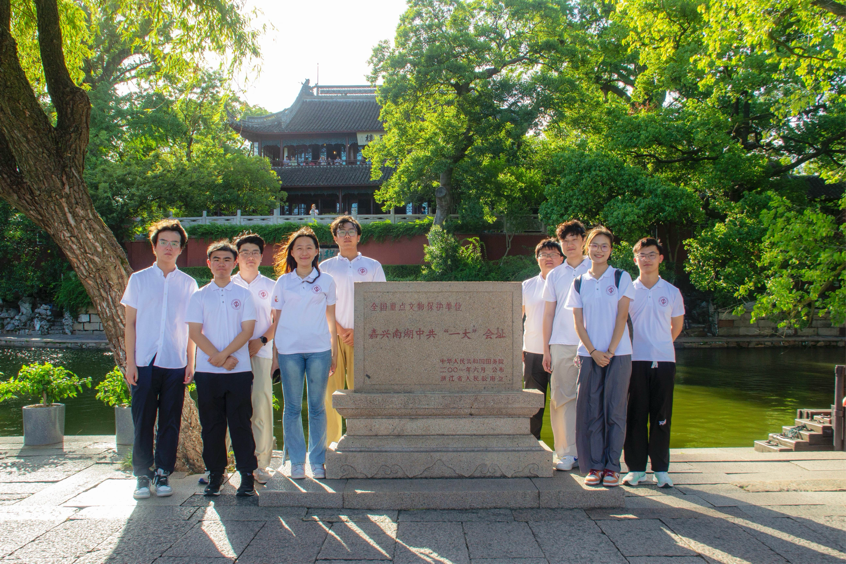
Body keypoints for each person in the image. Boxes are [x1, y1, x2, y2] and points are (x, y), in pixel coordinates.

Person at [121, 219, 198, 500]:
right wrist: (130, 362)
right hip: (144, 361)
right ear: (154, 247)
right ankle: (142, 474)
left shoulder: (189, 284)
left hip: (175, 361)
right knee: (142, 420)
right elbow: (130, 324)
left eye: (174, 243)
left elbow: (192, 327)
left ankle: (163, 472)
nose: (168, 247)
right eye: (163, 242)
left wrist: (191, 362)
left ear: (181, 249)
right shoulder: (139, 280)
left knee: (170, 421)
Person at [565, 225, 635, 488]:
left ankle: (612, 467)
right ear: (587, 248)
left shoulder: (620, 277)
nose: (599, 250)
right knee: (591, 410)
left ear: (611, 250)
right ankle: (594, 466)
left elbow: (622, 317)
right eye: (594, 245)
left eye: (604, 246)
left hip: (619, 354)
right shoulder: (579, 282)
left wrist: (610, 351)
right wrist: (594, 352)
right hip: (588, 355)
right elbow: (578, 323)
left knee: (615, 410)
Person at [187, 240, 258, 497]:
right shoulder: (199, 295)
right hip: (208, 372)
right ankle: (215, 474)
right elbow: (195, 332)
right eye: (216, 259)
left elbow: (247, 331)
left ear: (235, 263)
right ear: (209, 263)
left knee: (241, 424)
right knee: (211, 425)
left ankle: (247, 475)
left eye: (227, 259)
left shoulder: (244, 294)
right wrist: (217, 357)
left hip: (239, 370)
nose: (221, 264)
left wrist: (225, 355)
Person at [269, 227, 338, 480]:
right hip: (289, 351)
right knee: (292, 407)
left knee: (317, 407)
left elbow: (331, 320)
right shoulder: (283, 282)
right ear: (292, 252)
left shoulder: (326, 281)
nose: (304, 252)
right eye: (299, 248)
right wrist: (275, 355)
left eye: (309, 247)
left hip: (319, 350)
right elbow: (276, 320)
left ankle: (317, 461)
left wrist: (334, 352)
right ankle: (296, 462)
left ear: (317, 251)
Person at [622, 238, 685, 488]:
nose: (646, 259)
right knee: (635, 415)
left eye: (651, 254)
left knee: (661, 416)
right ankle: (636, 469)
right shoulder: (628, 290)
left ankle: (661, 469)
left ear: (660, 258)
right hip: (634, 359)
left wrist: (660, 344)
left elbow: (676, 326)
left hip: (664, 360)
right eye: (642, 255)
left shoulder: (671, 292)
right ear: (635, 259)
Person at [320, 215, 386, 447]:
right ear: (335, 238)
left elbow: (380, 302)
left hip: (363, 337)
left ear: (358, 236)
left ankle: (363, 442)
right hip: (331, 337)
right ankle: (331, 444)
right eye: (341, 232)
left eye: (350, 231)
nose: (346, 235)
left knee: (362, 391)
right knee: (331, 393)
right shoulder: (325, 268)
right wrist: (339, 330)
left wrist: (360, 330)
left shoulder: (373, 266)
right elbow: (320, 303)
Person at [541, 220, 591, 472]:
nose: (570, 245)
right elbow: (548, 313)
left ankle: (591, 452)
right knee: (561, 399)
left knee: (592, 398)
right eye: (565, 241)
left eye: (574, 239)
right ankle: (566, 453)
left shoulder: (596, 268)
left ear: (584, 241)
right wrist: (546, 349)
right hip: (561, 343)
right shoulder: (555, 274)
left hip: (592, 345)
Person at [232, 232, 277, 485]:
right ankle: (223, 462)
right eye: (245, 252)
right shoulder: (227, 284)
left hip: (261, 353)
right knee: (230, 408)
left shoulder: (271, 286)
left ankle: (261, 464)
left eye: (255, 252)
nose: (250, 257)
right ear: (237, 257)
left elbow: (278, 320)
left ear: (261, 257)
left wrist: (261, 341)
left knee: (260, 406)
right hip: (230, 357)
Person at [522, 239, 564, 443]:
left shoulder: (570, 283)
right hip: (533, 351)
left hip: (562, 351)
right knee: (532, 403)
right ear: (536, 258)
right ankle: (531, 444)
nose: (549, 258)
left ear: (562, 258)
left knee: (562, 403)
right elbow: (516, 318)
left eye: (553, 254)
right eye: (544, 255)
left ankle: (565, 450)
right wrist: (518, 348)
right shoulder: (527, 286)